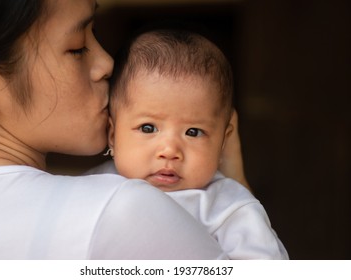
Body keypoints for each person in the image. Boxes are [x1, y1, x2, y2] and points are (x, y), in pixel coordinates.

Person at [0, 0, 253, 260]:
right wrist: (235, 189)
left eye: (96, 35)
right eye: (77, 48)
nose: (107, 63)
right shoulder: (121, 209)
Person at [87, 27, 288, 259]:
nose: (170, 151)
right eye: (148, 128)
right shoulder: (94, 185)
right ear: (113, 135)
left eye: (193, 132)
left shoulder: (226, 206)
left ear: (223, 140)